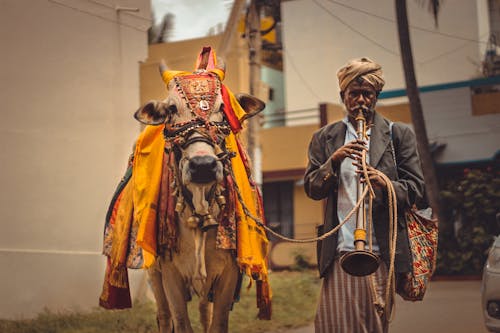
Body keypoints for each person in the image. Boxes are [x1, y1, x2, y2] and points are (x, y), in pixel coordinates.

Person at [304, 57, 426, 333]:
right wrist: (333, 162)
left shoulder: (398, 134)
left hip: (380, 252)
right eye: (353, 94)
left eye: (367, 94)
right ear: (343, 97)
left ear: (376, 96)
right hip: (339, 252)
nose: (360, 100)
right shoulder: (325, 138)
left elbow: (417, 189)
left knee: (370, 325)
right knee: (331, 325)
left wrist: (383, 182)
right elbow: (312, 188)